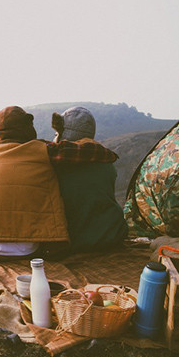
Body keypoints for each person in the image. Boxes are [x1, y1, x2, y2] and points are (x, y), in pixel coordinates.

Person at [0, 106, 119, 261]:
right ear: (28, 124)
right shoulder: (45, 150)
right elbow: (85, 152)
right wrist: (109, 155)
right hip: (31, 248)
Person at [51, 107, 128, 253]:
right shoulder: (106, 159)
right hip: (112, 234)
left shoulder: (58, 162)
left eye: (56, 133)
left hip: (75, 240)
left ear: (63, 133)